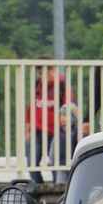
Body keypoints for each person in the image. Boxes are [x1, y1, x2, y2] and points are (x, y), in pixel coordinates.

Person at [24, 54, 70, 184]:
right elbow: (31, 108)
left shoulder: (62, 86)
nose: (42, 77)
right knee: (32, 164)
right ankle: (39, 188)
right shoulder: (37, 85)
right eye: (40, 74)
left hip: (55, 132)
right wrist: (27, 130)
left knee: (55, 165)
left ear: (53, 69)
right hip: (37, 131)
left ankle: (57, 190)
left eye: (45, 73)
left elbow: (68, 109)